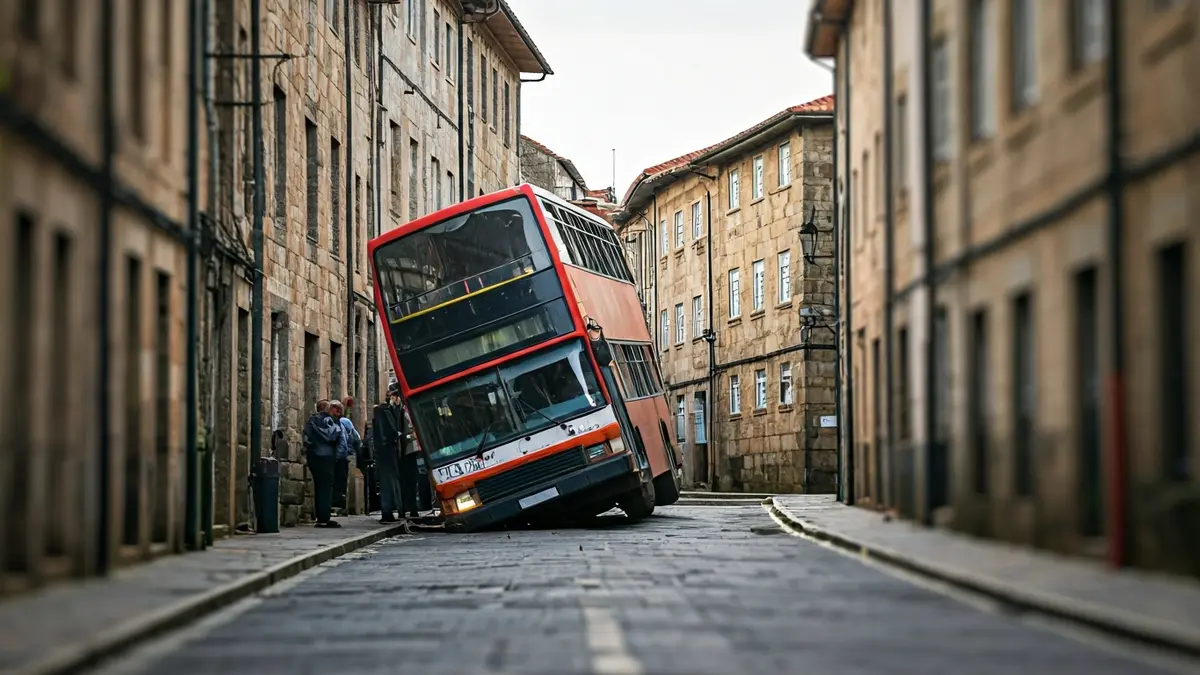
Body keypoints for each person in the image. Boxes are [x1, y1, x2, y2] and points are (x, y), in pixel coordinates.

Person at [302, 399, 342, 527]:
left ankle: (320, 517)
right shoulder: (329, 421)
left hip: (314, 456)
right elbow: (335, 435)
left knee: (318, 486)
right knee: (326, 487)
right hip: (327, 456)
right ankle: (324, 517)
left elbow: (306, 437)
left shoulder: (311, 421)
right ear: (327, 409)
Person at [371, 384, 404, 523]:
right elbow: (390, 431)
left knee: (389, 481)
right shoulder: (384, 411)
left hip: (385, 450)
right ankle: (387, 512)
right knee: (387, 481)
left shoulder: (385, 411)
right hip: (386, 450)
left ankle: (389, 511)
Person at [331, 398, 360, 514]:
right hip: (345, 454)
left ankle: (339, 506)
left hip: (339, 455)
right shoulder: (345, 422)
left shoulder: (338, 422)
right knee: (342, 482)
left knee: (338, 482)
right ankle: (342, 507)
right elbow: (356, 438)